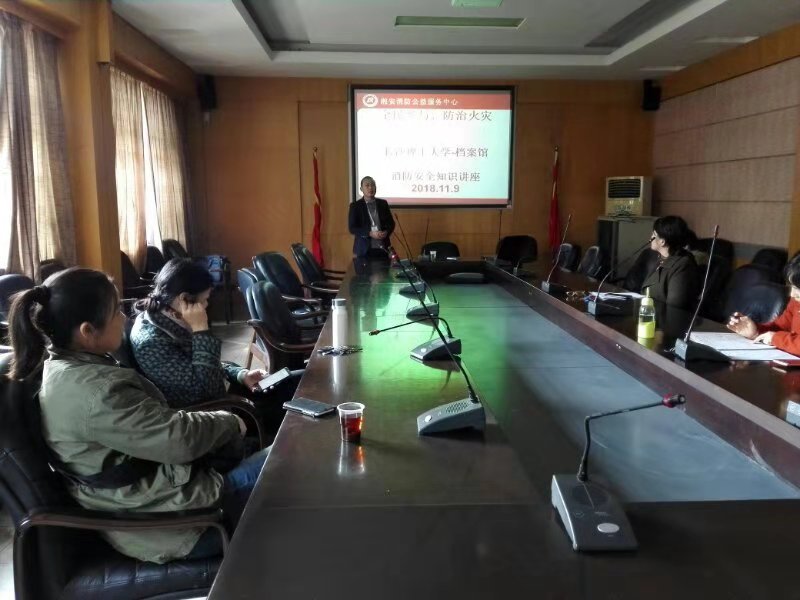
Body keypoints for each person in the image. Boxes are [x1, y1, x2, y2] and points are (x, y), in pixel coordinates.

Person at [6, 267, 267, 563]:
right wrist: (230, 421)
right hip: (175, 525)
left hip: (162, 496)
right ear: (87, 331)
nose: (124, 318)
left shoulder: (74, 367)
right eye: (115, 312)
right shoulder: (95, 392)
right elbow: (178, 439)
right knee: (288, 459)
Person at [130, 258, 302, 429]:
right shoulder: (151, 342)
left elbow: (206, 365)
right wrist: (201, 330)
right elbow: (208, 391)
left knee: (300, 379)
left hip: (230, 391)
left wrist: (241, 374)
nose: (206, 305)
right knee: (301, 401)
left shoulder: (169, 315)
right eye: (205, 299)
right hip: (220, 413)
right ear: (184, 299)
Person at [727, 253, 800, 355]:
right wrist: (757, 331)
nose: (792, 294)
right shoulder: (796, 302)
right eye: (791, 286)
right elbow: (780, 327)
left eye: (797, 288)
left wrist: (776, 338)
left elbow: (778, 337)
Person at [641, 216, 700, 309]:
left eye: (654, 234)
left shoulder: (683, 265)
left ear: (662, 242)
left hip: (663, 316)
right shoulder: (660, 257)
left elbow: (674, 307)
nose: (651, 237)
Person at [348, 175, 395, 258]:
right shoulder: (355, 206)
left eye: (373, 185)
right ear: (361, 189)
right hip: (364, 249)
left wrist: (386, 232)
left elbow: (391, 223)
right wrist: (369, 233)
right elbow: (352, 228)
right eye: (367, 185)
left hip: (383, 247)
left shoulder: (383, 203)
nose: (370, 188)